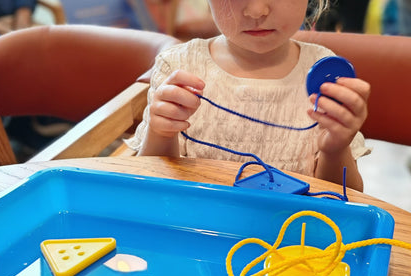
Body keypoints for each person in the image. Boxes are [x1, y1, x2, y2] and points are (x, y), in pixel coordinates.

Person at [126, 0, 371, 192]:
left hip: (294, 239)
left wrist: (336, 149)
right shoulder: (178, 65)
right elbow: (150, 186)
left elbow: (347, 200)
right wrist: (161, 133)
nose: (256, 10)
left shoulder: (323, 70)